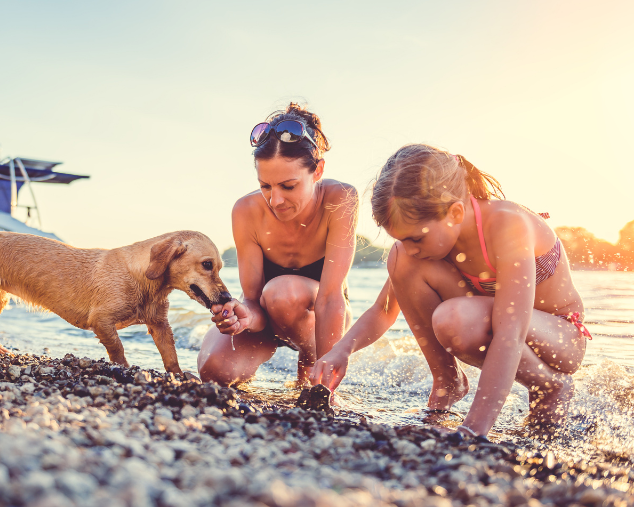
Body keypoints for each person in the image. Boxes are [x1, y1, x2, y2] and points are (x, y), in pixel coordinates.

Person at [310, 144, 589, 436]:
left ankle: (551, 385)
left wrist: (472, 431)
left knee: (455, 319)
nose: (409, 248)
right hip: (499, 324)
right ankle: (448, 382)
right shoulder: (425, 243)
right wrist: (341, 351)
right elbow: (383, 310)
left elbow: (510, 333)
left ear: (455, 213)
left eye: (416, 238)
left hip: (560, 339)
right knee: (400, 262)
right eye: (402, 238)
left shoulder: (508, 225)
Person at [197, 103, 357, 387]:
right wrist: (243, 317)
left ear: (317, 171)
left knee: (283, 292)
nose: (275, 201)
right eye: (266, 186)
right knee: (214, 371)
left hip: (320, 321)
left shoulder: (341, 199)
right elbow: (254, 301)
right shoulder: (246, 212)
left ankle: (309, 369)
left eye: (289, 186)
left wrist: (325, 387)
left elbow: (332, 299)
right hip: (268, 323)